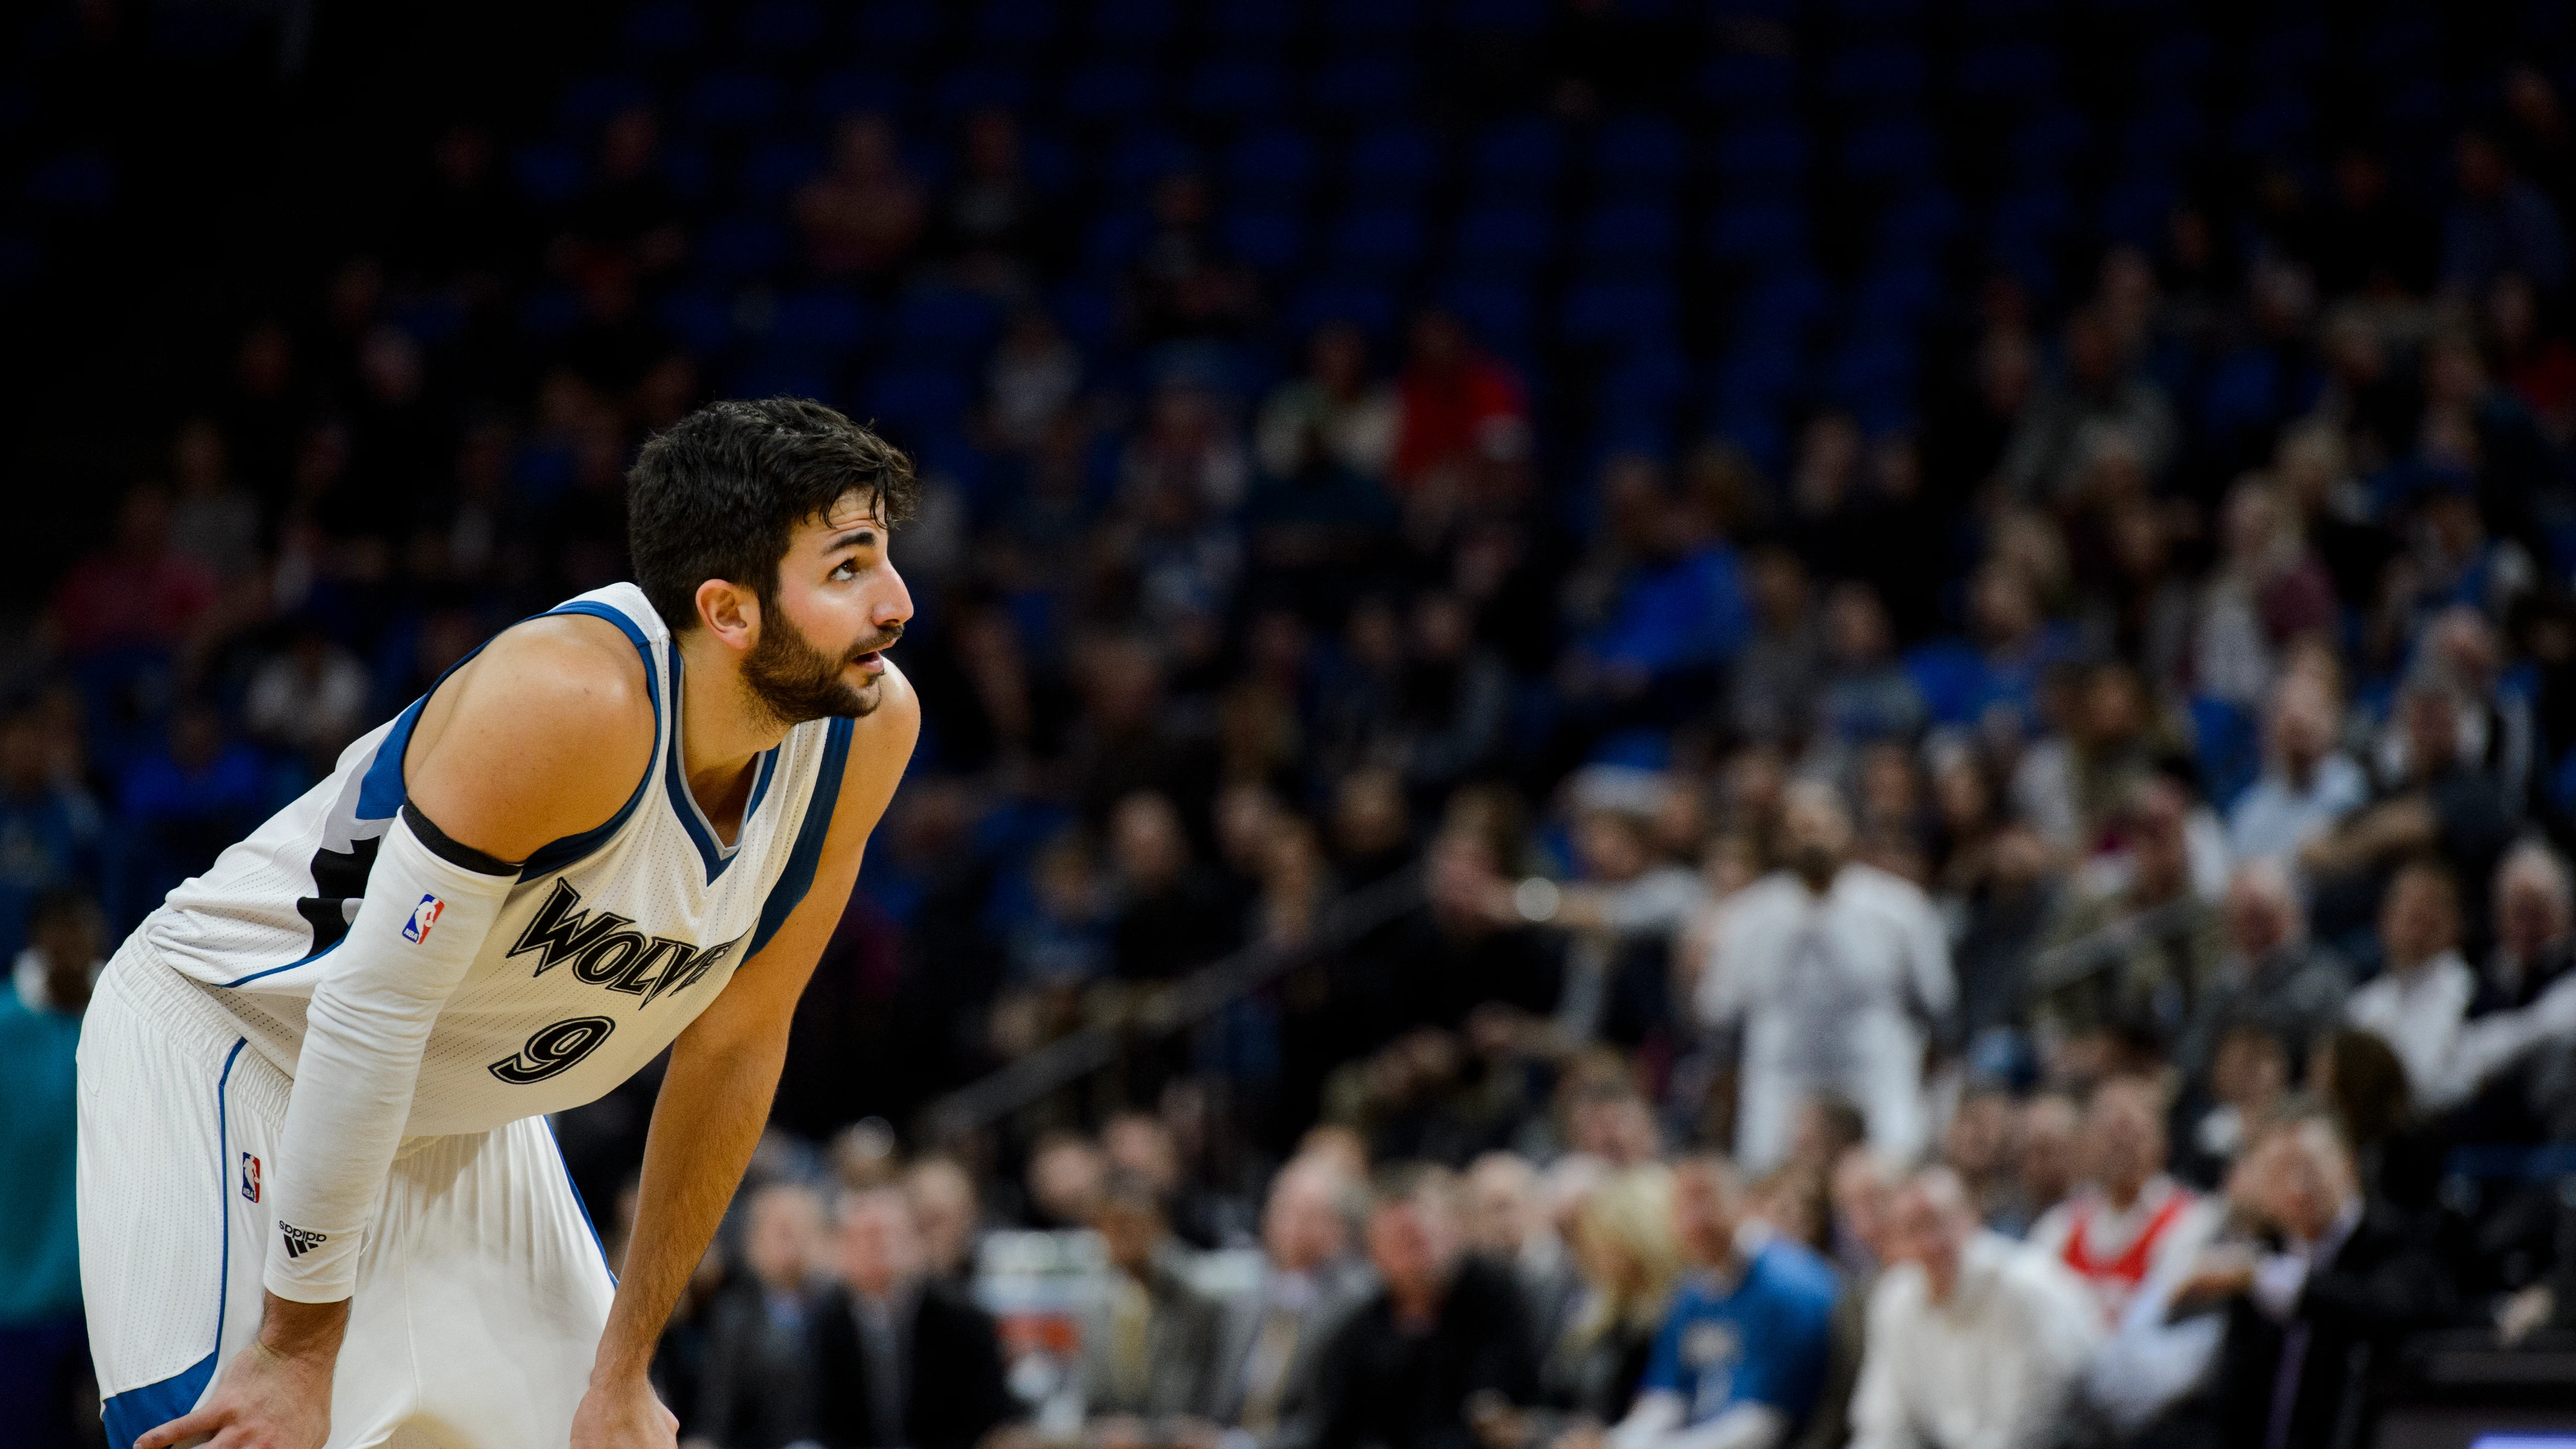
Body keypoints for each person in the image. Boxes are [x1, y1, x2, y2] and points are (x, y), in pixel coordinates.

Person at [80, 398, 922, 1449]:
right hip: (245, 1047)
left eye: (883, 559)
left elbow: (739, 1039)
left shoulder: (867, 728)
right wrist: (299, 1350)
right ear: (729, 611)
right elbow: (371, 1011)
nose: (896, 604)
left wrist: (624, 1367)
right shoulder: (569, 700)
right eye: (848, 570)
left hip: (452, 1111)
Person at [1699, 781, 1954, 1171]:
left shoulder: (1900, 909)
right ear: (1781, 839)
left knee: (1891, 1176)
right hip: (1782, 1084)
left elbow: (1938, 1005)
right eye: (1799, 828)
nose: (1811, 838)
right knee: (1769, 1184)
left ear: (1847, 828)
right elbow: (1718, 1012)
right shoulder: (1748, 917)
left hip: (1875, 1077)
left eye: (1822, 824)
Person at [2182, 1112, 2455, 1449]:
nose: (2298, 1186)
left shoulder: (2399, 1239)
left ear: (2349, 1164)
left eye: (2310, 1166)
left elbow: (2392, 1307)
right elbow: (2230, 1401)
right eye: (2281, 1173)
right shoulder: (2261, 1258)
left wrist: (2282, 1281)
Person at [1846, 1169, 2100, 1449]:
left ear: (1970, 1219)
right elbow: (1882, 1421)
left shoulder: (2024, 1288)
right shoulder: (1895, 1298)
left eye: (1938, 1223)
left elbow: (2024, 1428)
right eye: (1914, 1229)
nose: (1930, 1243)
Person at [1606, 1157, 1837, 1449]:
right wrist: (1617, 1442)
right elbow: (1667, 1397)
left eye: (1707, 1201)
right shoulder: (1690, 1292)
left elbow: (1767, 1423)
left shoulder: (1792, 1285)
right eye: (1684, 1207)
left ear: (1743, 1202)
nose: (1696, 1221)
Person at [1311, 1165, 1539, 1449]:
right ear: (1374, 1252)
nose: (1413, 1257)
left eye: (1419, 1239)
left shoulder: (1497, 1300)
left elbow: (1498, 1413)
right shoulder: (1359, 1330)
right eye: (1398, 1242)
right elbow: (1333, 1426)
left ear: (1454, 1233)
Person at [0, 889, 100, 1446]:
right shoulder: (5, 1029)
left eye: (82, 928)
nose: (70, 945)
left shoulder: (128, 1022)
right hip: (16, 1294)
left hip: (111, 1295)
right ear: (36, 939)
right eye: (58, 930)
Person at [810, 1188, 1015, 1449]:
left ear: (918, 1244)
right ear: (841, 1251)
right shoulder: (824, 1323)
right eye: (862, 1238)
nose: (876, 1248)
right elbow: (816, 1422)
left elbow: (992, 1420)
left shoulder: (965, 1320)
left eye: (887, 1236)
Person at [2025, 1077, 2220, 1326]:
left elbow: (2164, 1317)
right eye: (2111, 1135)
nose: (2122, 1147)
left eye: (2133, 1133)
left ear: (2162, 1141)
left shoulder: (2191, 1220)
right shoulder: (2060, 1225)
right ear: (2087, 1143)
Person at [1215, 1158, 1374, 1449]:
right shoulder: (1247, 1295)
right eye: (1281, 1209)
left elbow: (1327, 1416)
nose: (1287, 1224)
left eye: (1306, 1214)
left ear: (1338, 1225)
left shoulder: (1356, 1299)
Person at [1077, 1172, 1228, 1430]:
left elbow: (1200, 1389)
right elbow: (1091, 1393)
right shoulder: (1095, 1300)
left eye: (1132, 1225)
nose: (1122, 1238)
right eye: (1112, 1226)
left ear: (1159, 1226)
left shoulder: (1193, 1299)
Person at [691, 1181, 828, 1449]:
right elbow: (716, 1409)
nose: (794, 1241)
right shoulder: (732, 1315)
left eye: (802, 1229)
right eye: (782, 1231)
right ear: (753, 1242)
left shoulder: (837, 1309)